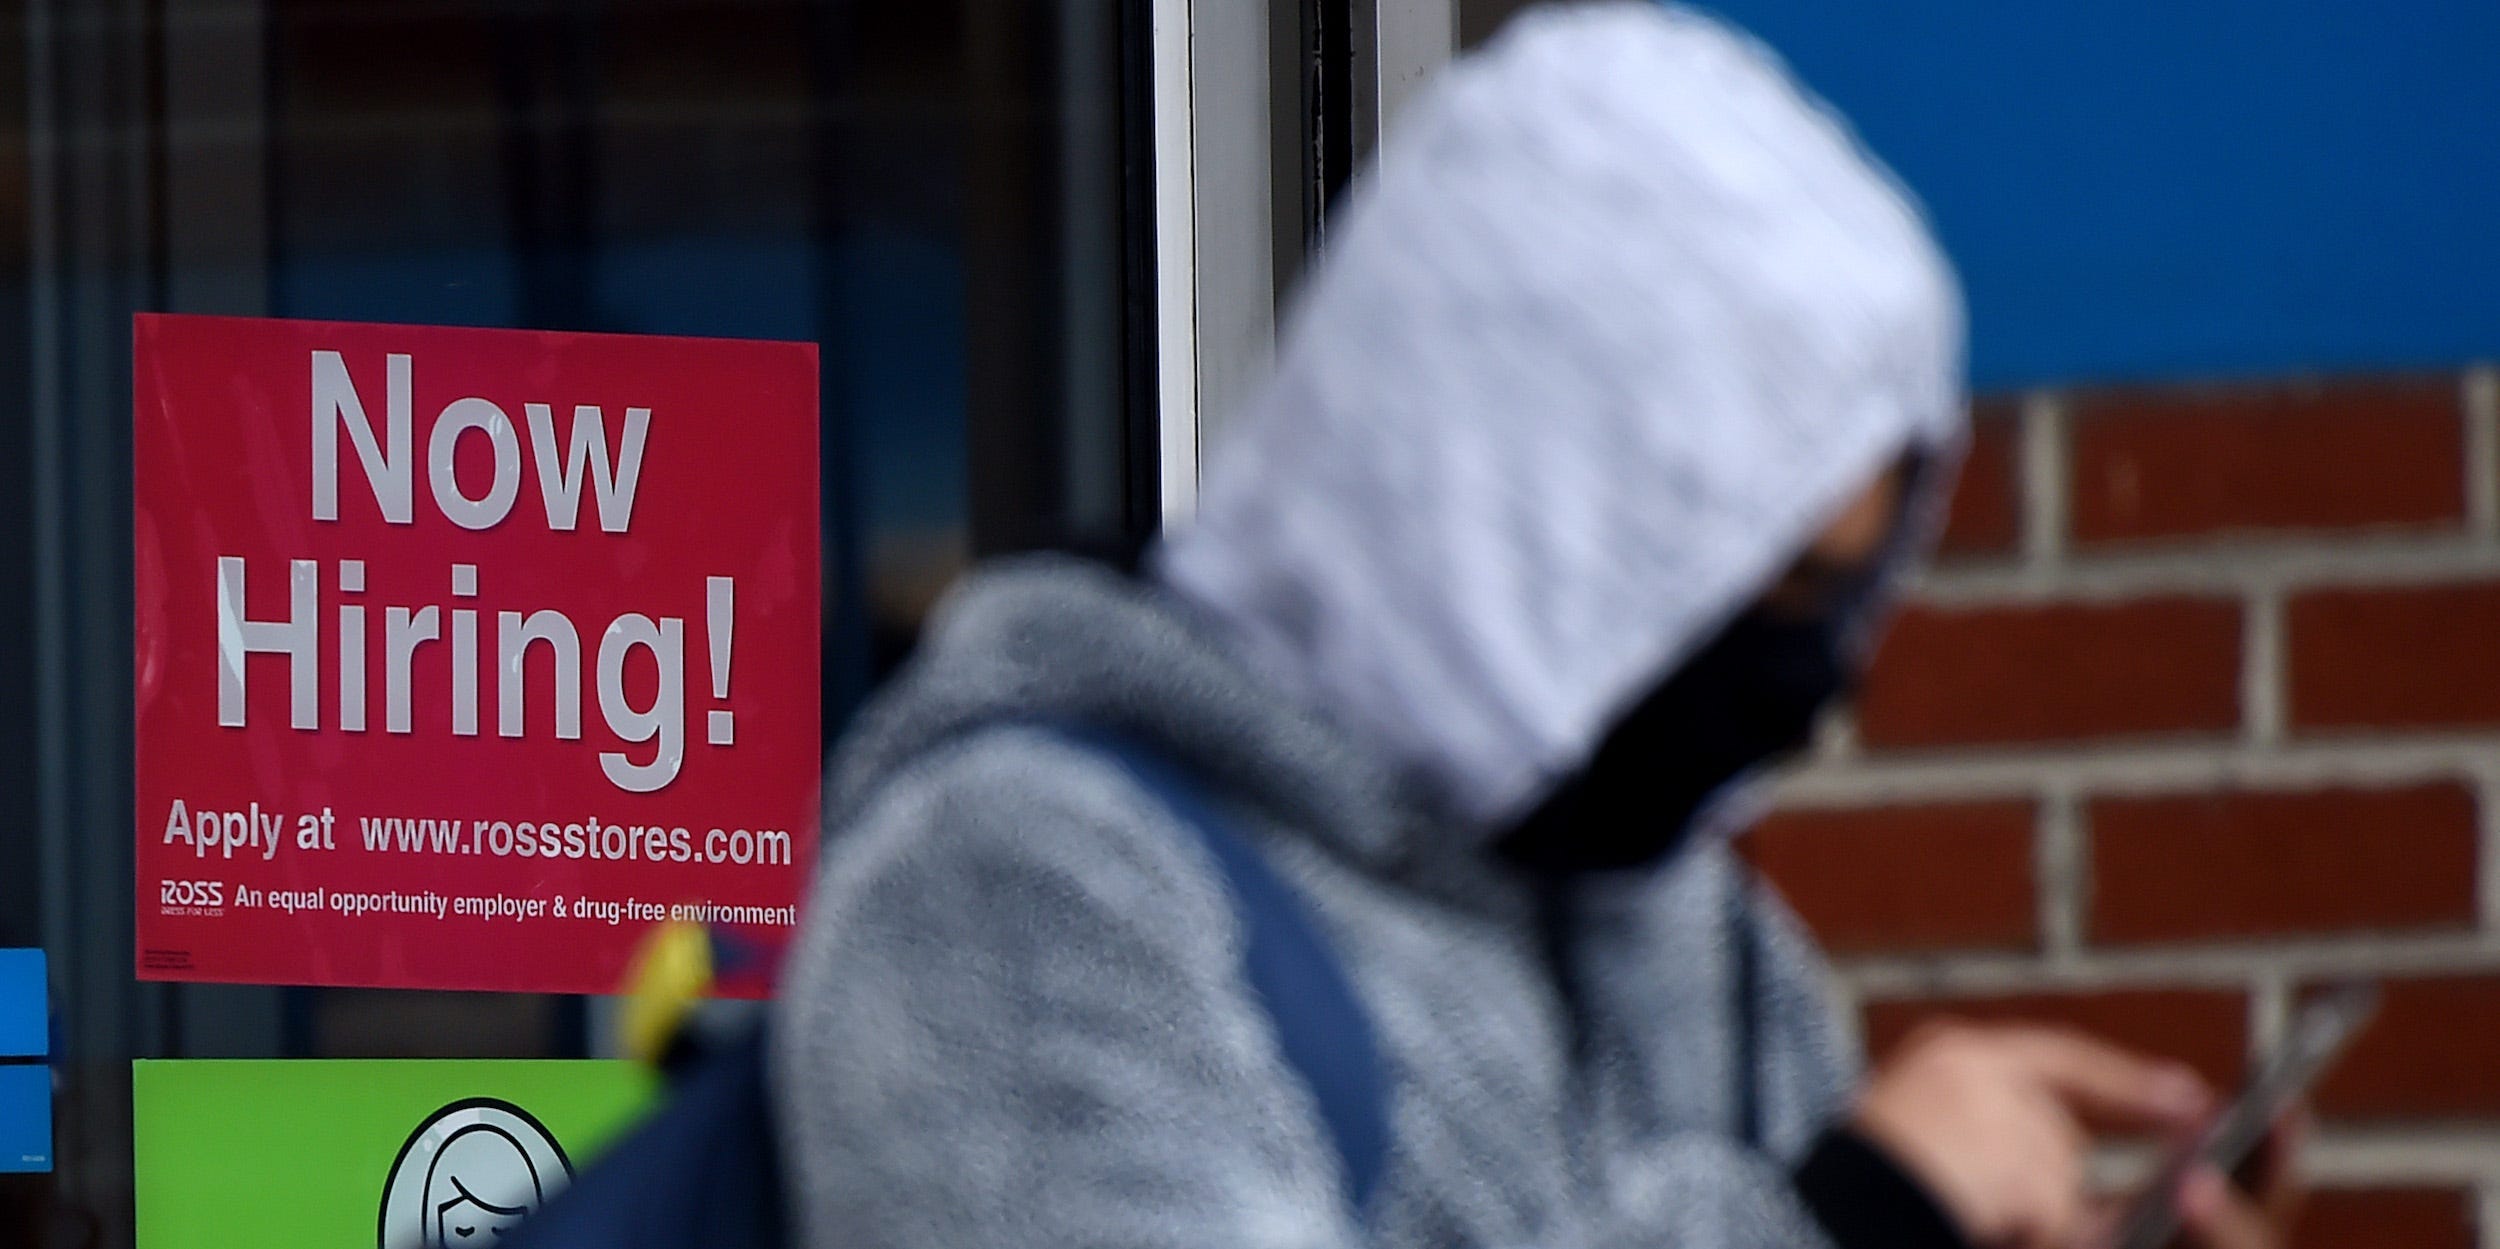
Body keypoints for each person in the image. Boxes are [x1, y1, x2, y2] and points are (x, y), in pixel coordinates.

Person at [769, 4, 2300, 1247]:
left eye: (1845, 590)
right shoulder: (1023, 887)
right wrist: (1849, 1222)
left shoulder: (1691, 938)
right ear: (1523, 518)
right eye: (1758, 587)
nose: (1819, 678)